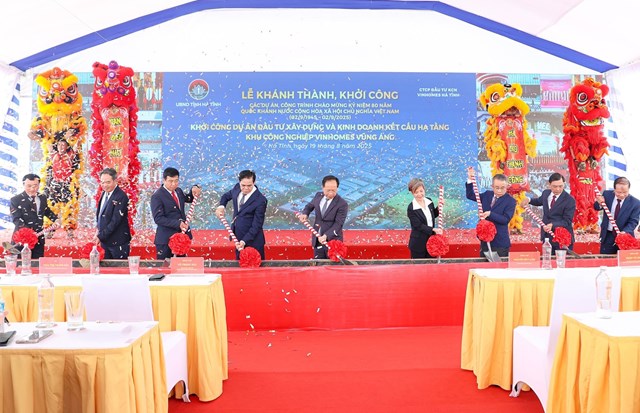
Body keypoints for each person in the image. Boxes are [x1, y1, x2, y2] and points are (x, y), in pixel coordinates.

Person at [150, 167, 202, 260]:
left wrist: (194, 189)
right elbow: (158, 218)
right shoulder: (157, 196)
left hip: (181, 239)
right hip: (166, 239)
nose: (173, 184)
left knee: (181, 266)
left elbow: (189, 198)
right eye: (170, 181)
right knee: (165, 266)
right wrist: (178, 223)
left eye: (176, 181)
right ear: (164, 180)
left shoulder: (178, 191)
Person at [216, 170, 268, 259]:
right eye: (243, 185)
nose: (246, 188)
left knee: (254, 266)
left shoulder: (261, 200)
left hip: (253, 241)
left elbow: (257, 225)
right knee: (239, 265)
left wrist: (244, 241)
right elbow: (225, 196)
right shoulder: (237, 188)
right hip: (238, 238)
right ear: (239, 182)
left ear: (254, 182)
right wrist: (221, 206)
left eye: (249, 185)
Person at [465, 168, 516, 257]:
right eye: (497, 187)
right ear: (492, 186)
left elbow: (505, 219)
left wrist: (490, 214)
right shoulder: (487, 195)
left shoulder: (510, 201)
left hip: (500, 243)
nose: (499, 190)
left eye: (502, 188)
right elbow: (470, 195)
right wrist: (470, 179)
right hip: (485, 240)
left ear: (507, 186)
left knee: (499, 265)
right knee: (484, 265)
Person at [521, 173, 576, 253]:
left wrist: (553, 225)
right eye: (555, 186)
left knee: (561, 260)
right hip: (547, 237)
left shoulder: (569, 200)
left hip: (562, 238)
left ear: (564, 184)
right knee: (547, 259)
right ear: (549, 185)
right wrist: (529, 199)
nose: (558, 189)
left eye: (560, 186)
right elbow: (539, 201)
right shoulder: (546, 193)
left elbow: (567, 221)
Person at [298, 175, 349, 259]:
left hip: (333, 242)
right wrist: (305, 214)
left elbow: (338, 224)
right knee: (318, 264)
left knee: (332, 266)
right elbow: (309, 206)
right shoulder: (318, 196)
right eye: (328, 190)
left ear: (337, 188)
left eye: (333, 190)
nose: (331, 192)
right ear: (323, 187)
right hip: (317, 239)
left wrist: (326, 236)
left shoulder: (342, 204)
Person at [10, 174, 58, 258]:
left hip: (39, 237)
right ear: (23, 184)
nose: (32, 189)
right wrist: (29, 232)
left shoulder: (42, 197)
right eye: (29, 186)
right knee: (20, 262)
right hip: (22, 237)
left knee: (37, 261)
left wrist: (56, 219)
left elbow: (46, 210)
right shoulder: (15, 200)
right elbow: (16, 219)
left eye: (35, 186)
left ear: (39, 185)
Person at [594, 177, 640, 254]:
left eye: (625, 192)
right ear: (614, 189)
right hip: (608, 236)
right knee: (606, 259)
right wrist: (599, 203)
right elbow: (596, 207)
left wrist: (624, 232)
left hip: (625, 238)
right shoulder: (607, 195)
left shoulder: (635, 203)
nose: (622, 195)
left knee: (624, 260)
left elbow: (633, 221)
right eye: (619, 192)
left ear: (629, 189)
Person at [93, 168, 131, 259]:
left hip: (118, 242)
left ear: (115, 181)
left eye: (108, 182)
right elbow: (101, 215)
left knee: (118, 267)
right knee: (105, 267)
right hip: (105, 241)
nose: (105, 185)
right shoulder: (104, 193)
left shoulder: (121, 196)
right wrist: (98, 231)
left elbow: (115, 221)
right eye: (102, 182)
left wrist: (100, 236)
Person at [406, 178, 443, 258]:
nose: (419, 194)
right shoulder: (411, 208)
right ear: (412, 193)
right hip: (418, 243)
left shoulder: (429, 201)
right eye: (416, 192)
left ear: (424, 190)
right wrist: (433, 229)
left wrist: (438, 208)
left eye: (421, 191)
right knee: (419, 265)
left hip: (432, 242)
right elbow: (418, 225)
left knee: (432, 264)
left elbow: (433, 215)